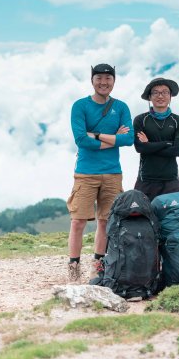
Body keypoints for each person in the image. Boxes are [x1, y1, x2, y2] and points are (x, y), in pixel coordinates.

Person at [66, 63, 134, 282]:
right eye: (99, 78)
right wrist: (112, 138)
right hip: (86, 172)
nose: (104, 82)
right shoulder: (80, 106)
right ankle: (73, 266)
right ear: (92, 80)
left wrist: (95, 135)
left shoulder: (121, 107)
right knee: (78, 221)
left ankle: (98, 264)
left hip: (113, 173)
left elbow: (129, 139)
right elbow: (80, 140)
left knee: (106, 221)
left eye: (108, 78)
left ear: (114, 81)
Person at [133, 77, 179, 201]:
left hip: (171, 180)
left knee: (172, 218)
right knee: (142, 218)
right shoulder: (141, 120)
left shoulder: (178, 121)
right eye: (155, 92)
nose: (160, 96)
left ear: (170, 96)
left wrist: (149, 145)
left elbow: (177, 151)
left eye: (165, 92)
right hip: (145, 179)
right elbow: (139, 147)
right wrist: (167, 143)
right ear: (150, 97)